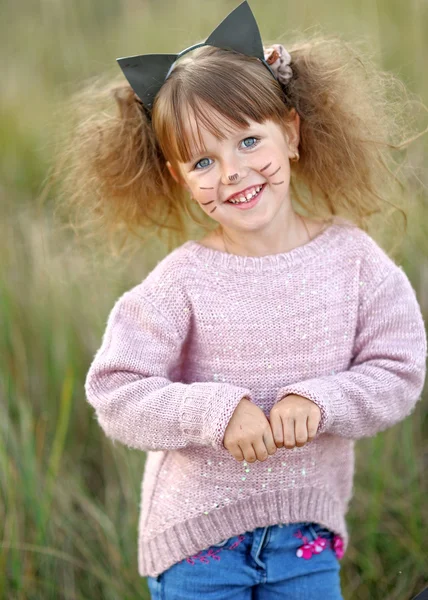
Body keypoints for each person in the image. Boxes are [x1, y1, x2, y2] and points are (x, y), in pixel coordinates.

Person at [64, 2, 428, 598]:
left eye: (248, 140)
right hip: (198, 548)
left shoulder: (355, 262)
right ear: (180, 176)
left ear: (291, 133)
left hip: (306, 545)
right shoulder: (182, 281)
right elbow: (115, 390)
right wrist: (215, 412)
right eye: (203, 160)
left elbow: (399, 371)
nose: (231, 172)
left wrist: (322, 401)